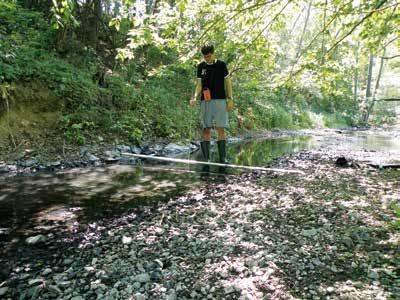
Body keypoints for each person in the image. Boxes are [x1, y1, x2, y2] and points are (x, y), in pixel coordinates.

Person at [189, 43, 234, 164]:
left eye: (209, 55)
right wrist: (194, 97)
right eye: (205, 56)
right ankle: (206, 159)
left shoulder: (221, 65)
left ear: (213, 53)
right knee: (206, 128)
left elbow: (228, 82)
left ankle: (223, 158)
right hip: (205, 101)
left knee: (220, 128)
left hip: (220, 100)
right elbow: (199, 85)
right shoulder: (201, 67)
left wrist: (230, 98)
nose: (207, 58)